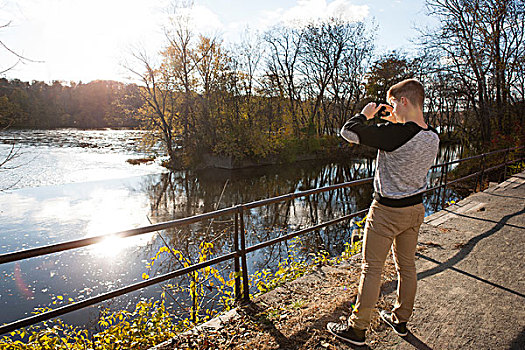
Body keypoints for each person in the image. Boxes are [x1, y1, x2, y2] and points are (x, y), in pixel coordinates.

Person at [327, 79, 440, 346]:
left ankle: (357, 329)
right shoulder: (433, 136)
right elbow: (408, 135)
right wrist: (395, 121)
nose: (390, 108)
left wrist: (365, 114)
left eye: (392, 103)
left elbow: (349, 132)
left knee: (371, 269)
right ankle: (400, 319)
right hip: (415, 209)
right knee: (407, 267)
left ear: (403, 101)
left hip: (387, 212)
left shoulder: (394, 135)